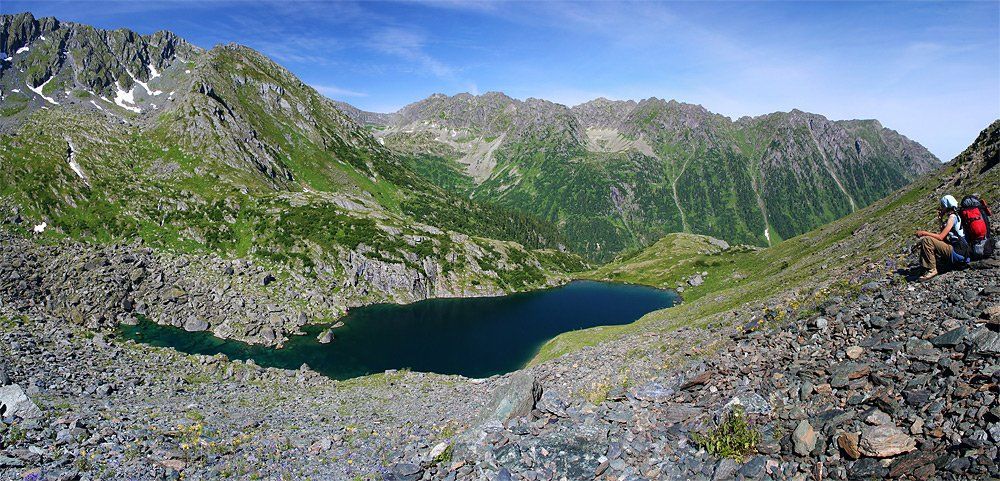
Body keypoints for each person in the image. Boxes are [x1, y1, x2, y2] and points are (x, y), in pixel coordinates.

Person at [914, 195, 970, 280]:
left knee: (927, 240)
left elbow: (940, 237)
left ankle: (932, 269)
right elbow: (943, 236)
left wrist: (923, 233)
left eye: (942, 206)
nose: (941, 208)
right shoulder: (956, 215)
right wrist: (940, 219)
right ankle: (927, 266)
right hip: (961, 251)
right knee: (930, 240)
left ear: (946, 206)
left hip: (958, 252)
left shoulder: (952, 217)